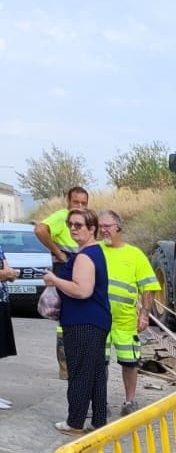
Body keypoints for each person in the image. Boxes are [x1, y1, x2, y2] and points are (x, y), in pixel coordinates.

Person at [41, 208, 110, 434]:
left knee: (80, 373)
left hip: (82, 322)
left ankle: (75, 422)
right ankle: (98, 420)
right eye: (71, 224)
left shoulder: (84, 256)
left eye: (79, 225)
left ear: (92, 229)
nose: (73, 229)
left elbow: (82, 290)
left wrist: (54, 280)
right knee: (96, 373)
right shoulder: (94, 252)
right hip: (95, 321)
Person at [98, 210, 159, 415]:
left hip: (125, 322)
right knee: (99, 363)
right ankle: (100, 402)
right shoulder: (95, 251)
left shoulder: (134, 255)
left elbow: (148, 287)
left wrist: (144, 314)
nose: (103, 230)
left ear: (118, 227)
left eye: (107, 226)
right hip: (99, 320)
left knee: (130, 362)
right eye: (100, 226)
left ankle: (129, 402)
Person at [35, 185, 88, 381]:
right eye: (76, 202)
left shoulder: (86, 220)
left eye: (84, 203)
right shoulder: (62, 217)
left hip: (79, 274)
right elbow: (40, 229)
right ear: (68, 202)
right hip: (65, 274)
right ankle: (66, 367)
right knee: (65, 320)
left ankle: (76, 364)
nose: (80, 206)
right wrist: (58, 253)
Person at [0, 239, 16, 408]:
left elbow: (7, 268)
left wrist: (9, 273)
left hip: (2, 299)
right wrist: (7, 273)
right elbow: (6, 272)